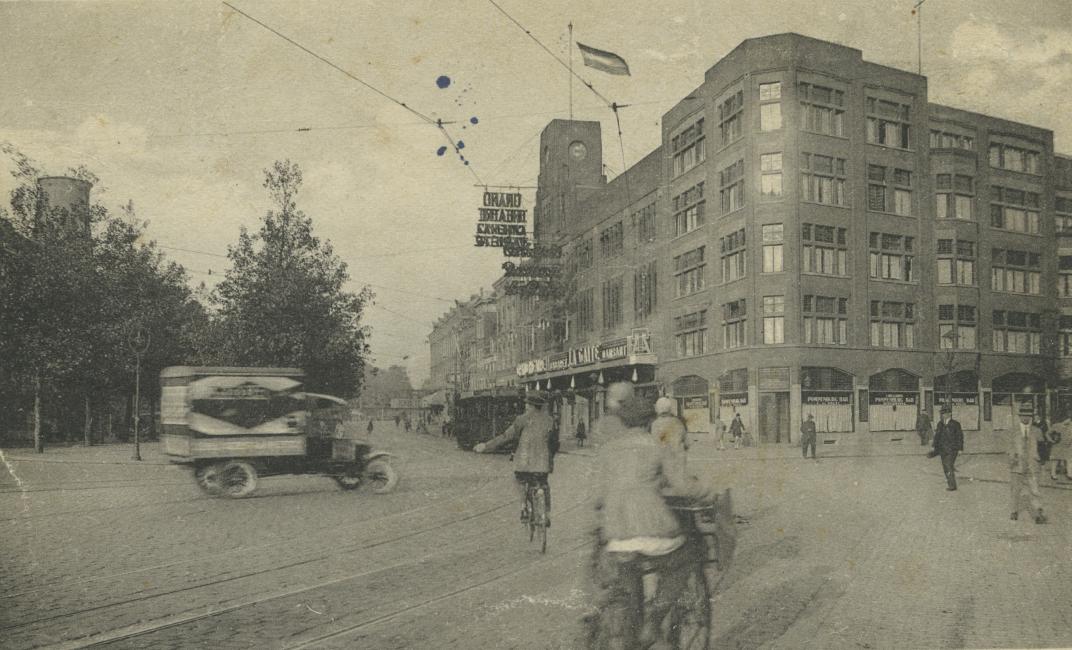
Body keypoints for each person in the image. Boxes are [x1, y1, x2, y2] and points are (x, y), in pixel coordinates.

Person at [587, 393, 721, 648]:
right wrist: (708, 491)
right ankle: (655, 618)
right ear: (649, 421)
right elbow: (682, 487)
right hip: (654, 531)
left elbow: (596, 497)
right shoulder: (655, 446)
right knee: (686, 559)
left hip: (617, 538)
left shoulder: (607, 451)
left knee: (630, 580)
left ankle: (634, 630)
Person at [474, 392, 557, 526]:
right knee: (544, 485)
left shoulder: (521, 420)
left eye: (526, 404)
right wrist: (549, 458)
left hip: (523, 464)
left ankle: (523, 506)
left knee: (520, 481)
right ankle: (546, 514)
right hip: (543, 464)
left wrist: (485, 446)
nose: (525, 406)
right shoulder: (549, 420)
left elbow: (506, 436)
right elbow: (554, 443)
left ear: (530, 405)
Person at [1010, 403, 1047, 524]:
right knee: (1016, 490)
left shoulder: (1037, 431)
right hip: (1017, 465)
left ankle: (1038, 514)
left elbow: (1042, 447)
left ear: (1031, 417)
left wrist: (1040, 459)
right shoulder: (1013, 431)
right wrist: (1012, 457)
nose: (1025, 418)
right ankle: (1014, 510)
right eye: (1023, 415)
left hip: (1032, 466)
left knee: (1034, 490)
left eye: (1028, 415)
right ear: (1019, 416)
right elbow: (1008, 448)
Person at [930, 404, 964, 491]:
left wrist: (960, 449)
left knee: (948, 466)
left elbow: (960, 436)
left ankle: (952, 485)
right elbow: (937, 436)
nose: (944, 415)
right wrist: (934, 447)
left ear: (950, 414)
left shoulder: (956, 424)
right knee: (946, 467)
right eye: (942, 413)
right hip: (942, 450)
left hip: (952, 450)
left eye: (945, 413)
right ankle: (951, 482)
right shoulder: (940, 424)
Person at [1048, 412, 1072, 481]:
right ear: (1063, 419)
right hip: (1057, 446)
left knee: (1069, 460)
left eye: (1069, 419)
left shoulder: (1071, 426)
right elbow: (1047, 433)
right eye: (1067, 419)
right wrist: (1051, 440)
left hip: (1068, 446)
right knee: (1055, 460)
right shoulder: (1056, 426)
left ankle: (1070, 474)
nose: (1069, 420)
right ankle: (1053, 474)